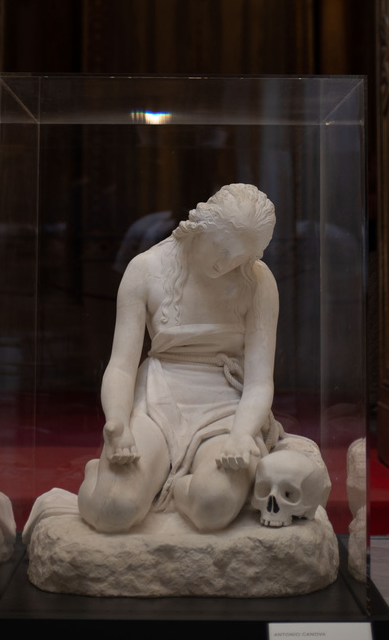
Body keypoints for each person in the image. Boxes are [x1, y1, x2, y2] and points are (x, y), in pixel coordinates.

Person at [77, 182, 279, 534]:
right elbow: (122, 367)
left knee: (212, 506)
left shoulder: (259, 282)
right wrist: (118, 423)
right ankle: (112, 477)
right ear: (202, 227)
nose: (227, 263)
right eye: (222, 248)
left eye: (243, 257)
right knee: (113, 508)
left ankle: (174, 491)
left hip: (225, 405)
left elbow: (260, 380)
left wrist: (242, 433)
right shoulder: (146, 270)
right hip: (158, 397)